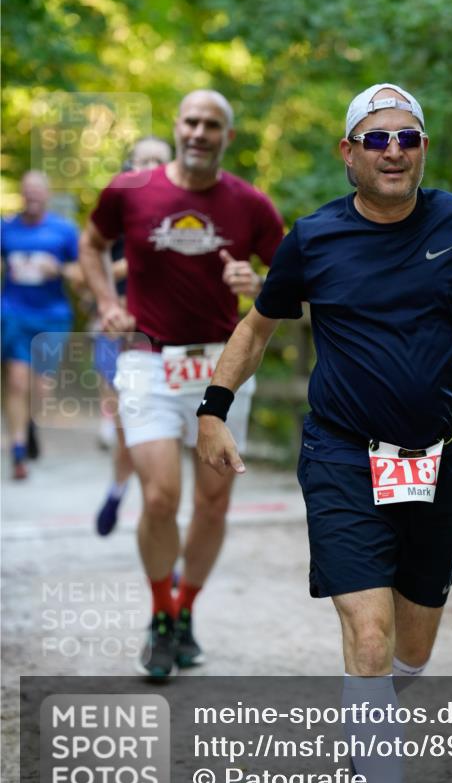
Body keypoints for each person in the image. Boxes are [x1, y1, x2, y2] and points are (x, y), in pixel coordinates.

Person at [197, 84, 452, 783]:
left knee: (410, 652)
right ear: (348, 152)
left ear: (421, 150)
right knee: (371, 637)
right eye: (377, 138)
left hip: (433, 462)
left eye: (408, 139)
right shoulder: (314, 237)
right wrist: (212, 412)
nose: (394, 151)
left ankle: (367, 717)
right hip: (342, 458)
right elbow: (256, 331)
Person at [79, 91, 284, 677]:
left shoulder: (251, 205)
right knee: (161, 496)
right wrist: (106, 301)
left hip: (224, 366)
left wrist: (258, 280)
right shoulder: (130, 192)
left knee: (213, 506)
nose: (199, 131)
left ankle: (186, 610)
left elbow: (293, 282)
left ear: (227, 135)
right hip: (147, 357)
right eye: (191, 121)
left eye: (212, 124)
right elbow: (91, 245)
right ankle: (161, 615)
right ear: (176, 126)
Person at [93, 136, 174, 537]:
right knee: (131, 430)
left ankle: (149, 512)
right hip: (120, 329)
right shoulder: (116, 209)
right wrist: (109, 301)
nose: (151, 168)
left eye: (159, 161)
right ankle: (120, 488)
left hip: (166, 338)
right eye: (144, 161)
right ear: (130, 166)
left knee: (153, 437)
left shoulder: (184, 210)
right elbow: (88, 266)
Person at [2, 171, 81, 480]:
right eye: (27, 192)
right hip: (14, 314)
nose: (32, 197)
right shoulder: (6, 229)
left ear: (46, 195)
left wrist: (58, 268)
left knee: (41, 386)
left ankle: (30, 422)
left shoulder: (64, 231)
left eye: (37, 192)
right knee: (17, 381)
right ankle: (18, 450)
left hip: (52, 317)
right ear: (22, 195)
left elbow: (80, 273)